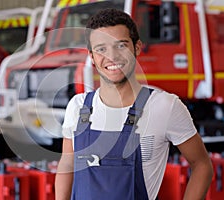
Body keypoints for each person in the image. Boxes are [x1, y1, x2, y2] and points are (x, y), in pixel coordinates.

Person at [55, 8, 213, 200]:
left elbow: (202, 165)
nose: (112, 56)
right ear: (92, 56)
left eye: (121, 46)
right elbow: (67, 163)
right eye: (101, 49)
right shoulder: (77, 107)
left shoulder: (164, 106)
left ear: (136, 47)